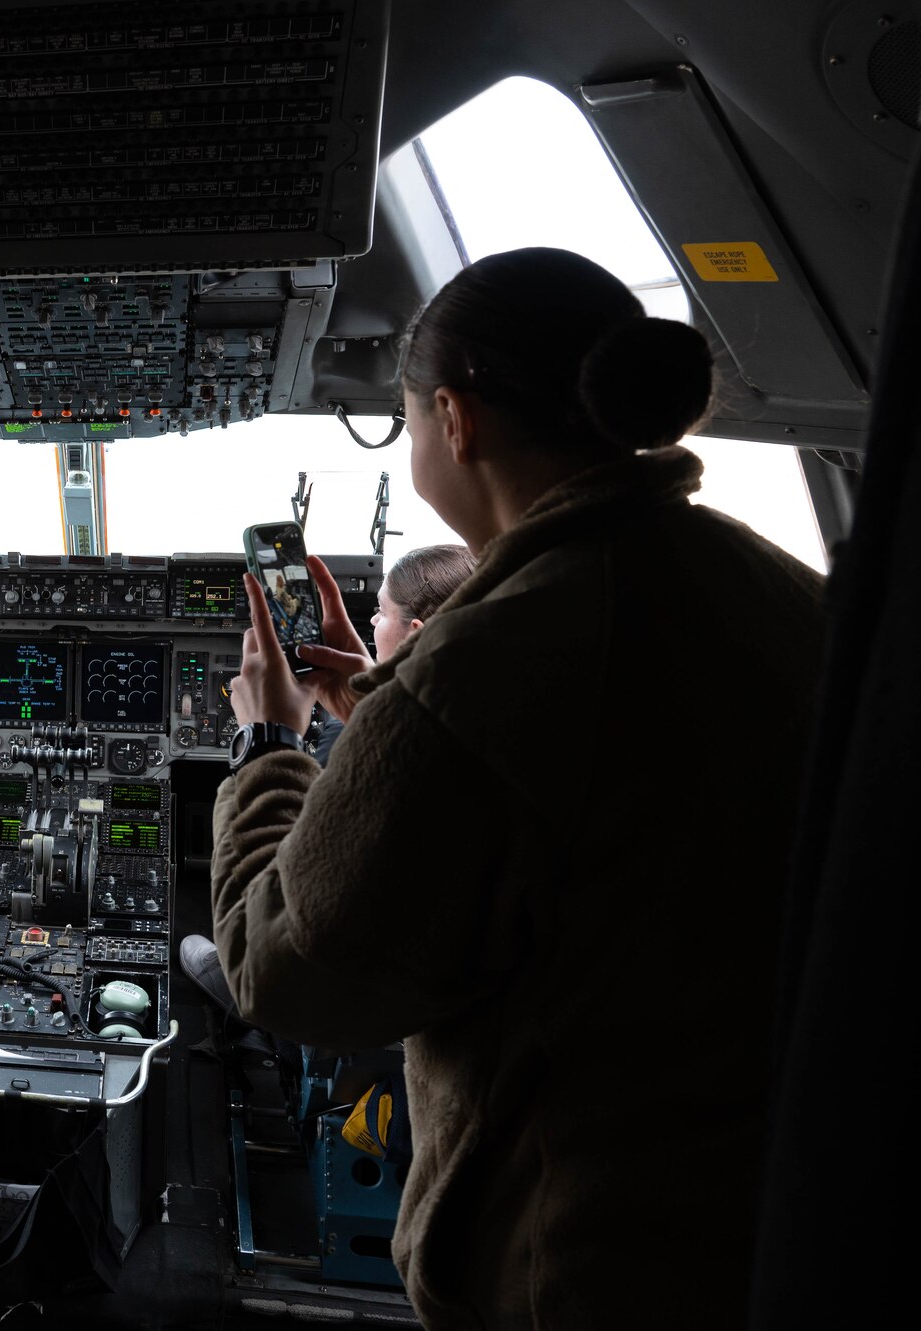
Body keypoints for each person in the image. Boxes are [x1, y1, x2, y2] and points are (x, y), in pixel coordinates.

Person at [210, 247, 824, 1329]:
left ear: (454, 419)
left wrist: (267, 738)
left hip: (579, 1263)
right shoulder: (786, 593)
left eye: (406, 421)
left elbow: (283, 972)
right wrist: (383, 705)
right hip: (783, 1218)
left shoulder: (476, 671)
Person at [179, 542, 475, 1016]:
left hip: (345, 1004)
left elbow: (269, 974)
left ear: (416, 635)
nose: (370, 626)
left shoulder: (362, 761)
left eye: (378, 614)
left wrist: (266, 743)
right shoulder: (485, 734)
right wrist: (373, 709)